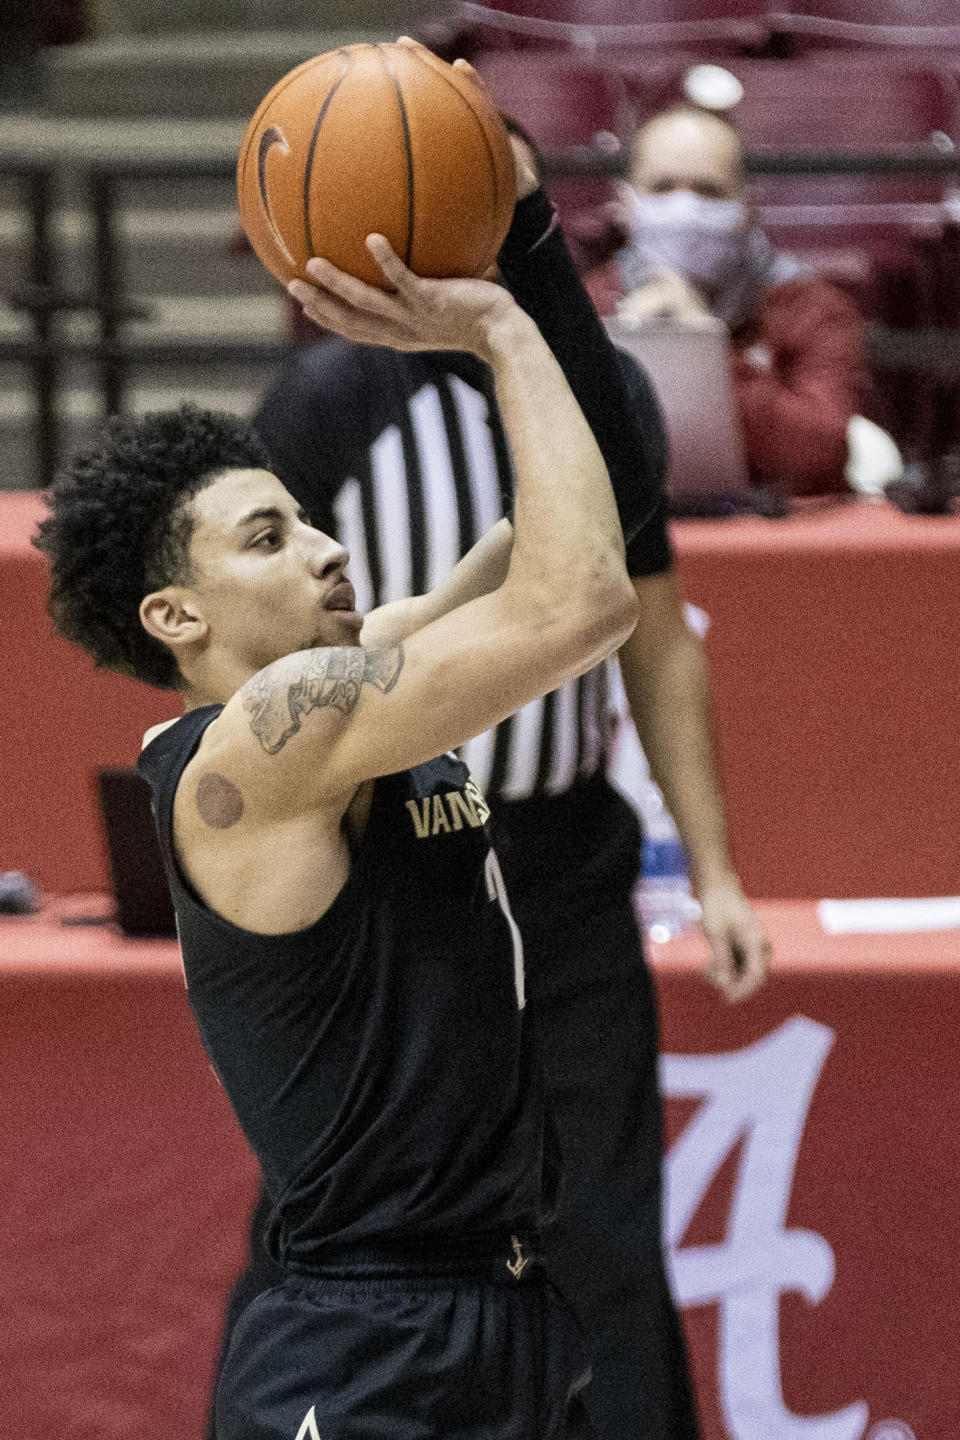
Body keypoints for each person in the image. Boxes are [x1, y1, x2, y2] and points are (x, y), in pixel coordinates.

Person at [33, 128, 667, 1433]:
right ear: (175, 617)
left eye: (310, 519)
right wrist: (493, 331)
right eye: (270, 537)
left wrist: (536, 250)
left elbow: (620, 494)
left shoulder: (342, 682)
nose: (326, 549)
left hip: (499, 1316)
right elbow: (588, 598)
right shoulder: (268, 738)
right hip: (371, 1346)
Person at [214, 124, 770, 1440]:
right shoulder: (323, 404)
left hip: (561, 866)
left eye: (508, 187)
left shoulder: (603, 396)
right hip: (386, 859)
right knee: (329, 1222)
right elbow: (260, 666)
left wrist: (718, 867)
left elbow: (654, 639)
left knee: (604, 1230)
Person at [585, 104, 869, 498]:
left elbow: (820, 452)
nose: (684, 209)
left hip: (775, 545)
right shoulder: (586, 307)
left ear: (750, 207)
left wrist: (704, 346)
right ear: (625, 204)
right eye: (662, 187)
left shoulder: (813, 309)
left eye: (709, 191)